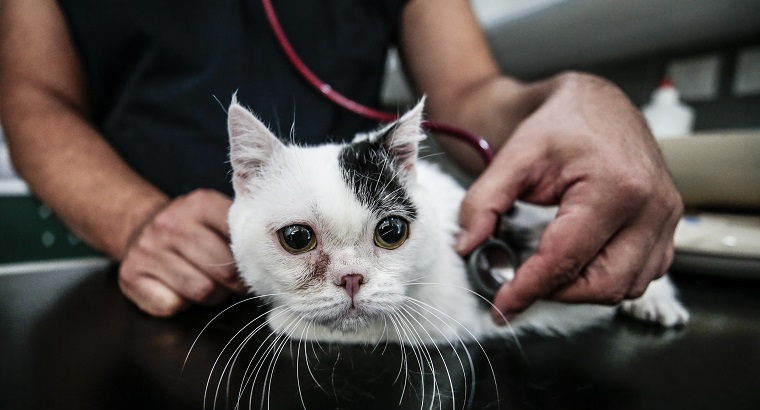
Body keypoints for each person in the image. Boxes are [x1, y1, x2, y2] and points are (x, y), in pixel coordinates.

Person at [0, 0, 682, 321]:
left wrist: (575, 95)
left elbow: (469, 92)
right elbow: (33, 96)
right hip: (157, 282)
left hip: (374, 290)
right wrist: (136, 220)